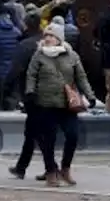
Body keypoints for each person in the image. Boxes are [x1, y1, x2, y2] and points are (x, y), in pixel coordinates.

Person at [24, 22, 97, 187]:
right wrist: (30, 92)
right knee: (48, 139)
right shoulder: (39, 55)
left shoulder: (72, 56)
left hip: (67, 104)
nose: (48, 39)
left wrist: (90, 96)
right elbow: (31, 75)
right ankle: (50, 170)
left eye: (52, 36)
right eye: (47, 36)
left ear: (59, 39)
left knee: (72, 135)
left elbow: (81, 77)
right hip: (45, 103)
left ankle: (65, 168)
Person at [7, 12, 49, 180]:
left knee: (37, 133)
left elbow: (15, 69)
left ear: (25, 25)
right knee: (33, 132)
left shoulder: (25, 45)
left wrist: (7, 88)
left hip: (31, 94)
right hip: (47, 92)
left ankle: (50, 168)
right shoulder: (47, 42)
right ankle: (21, 167)